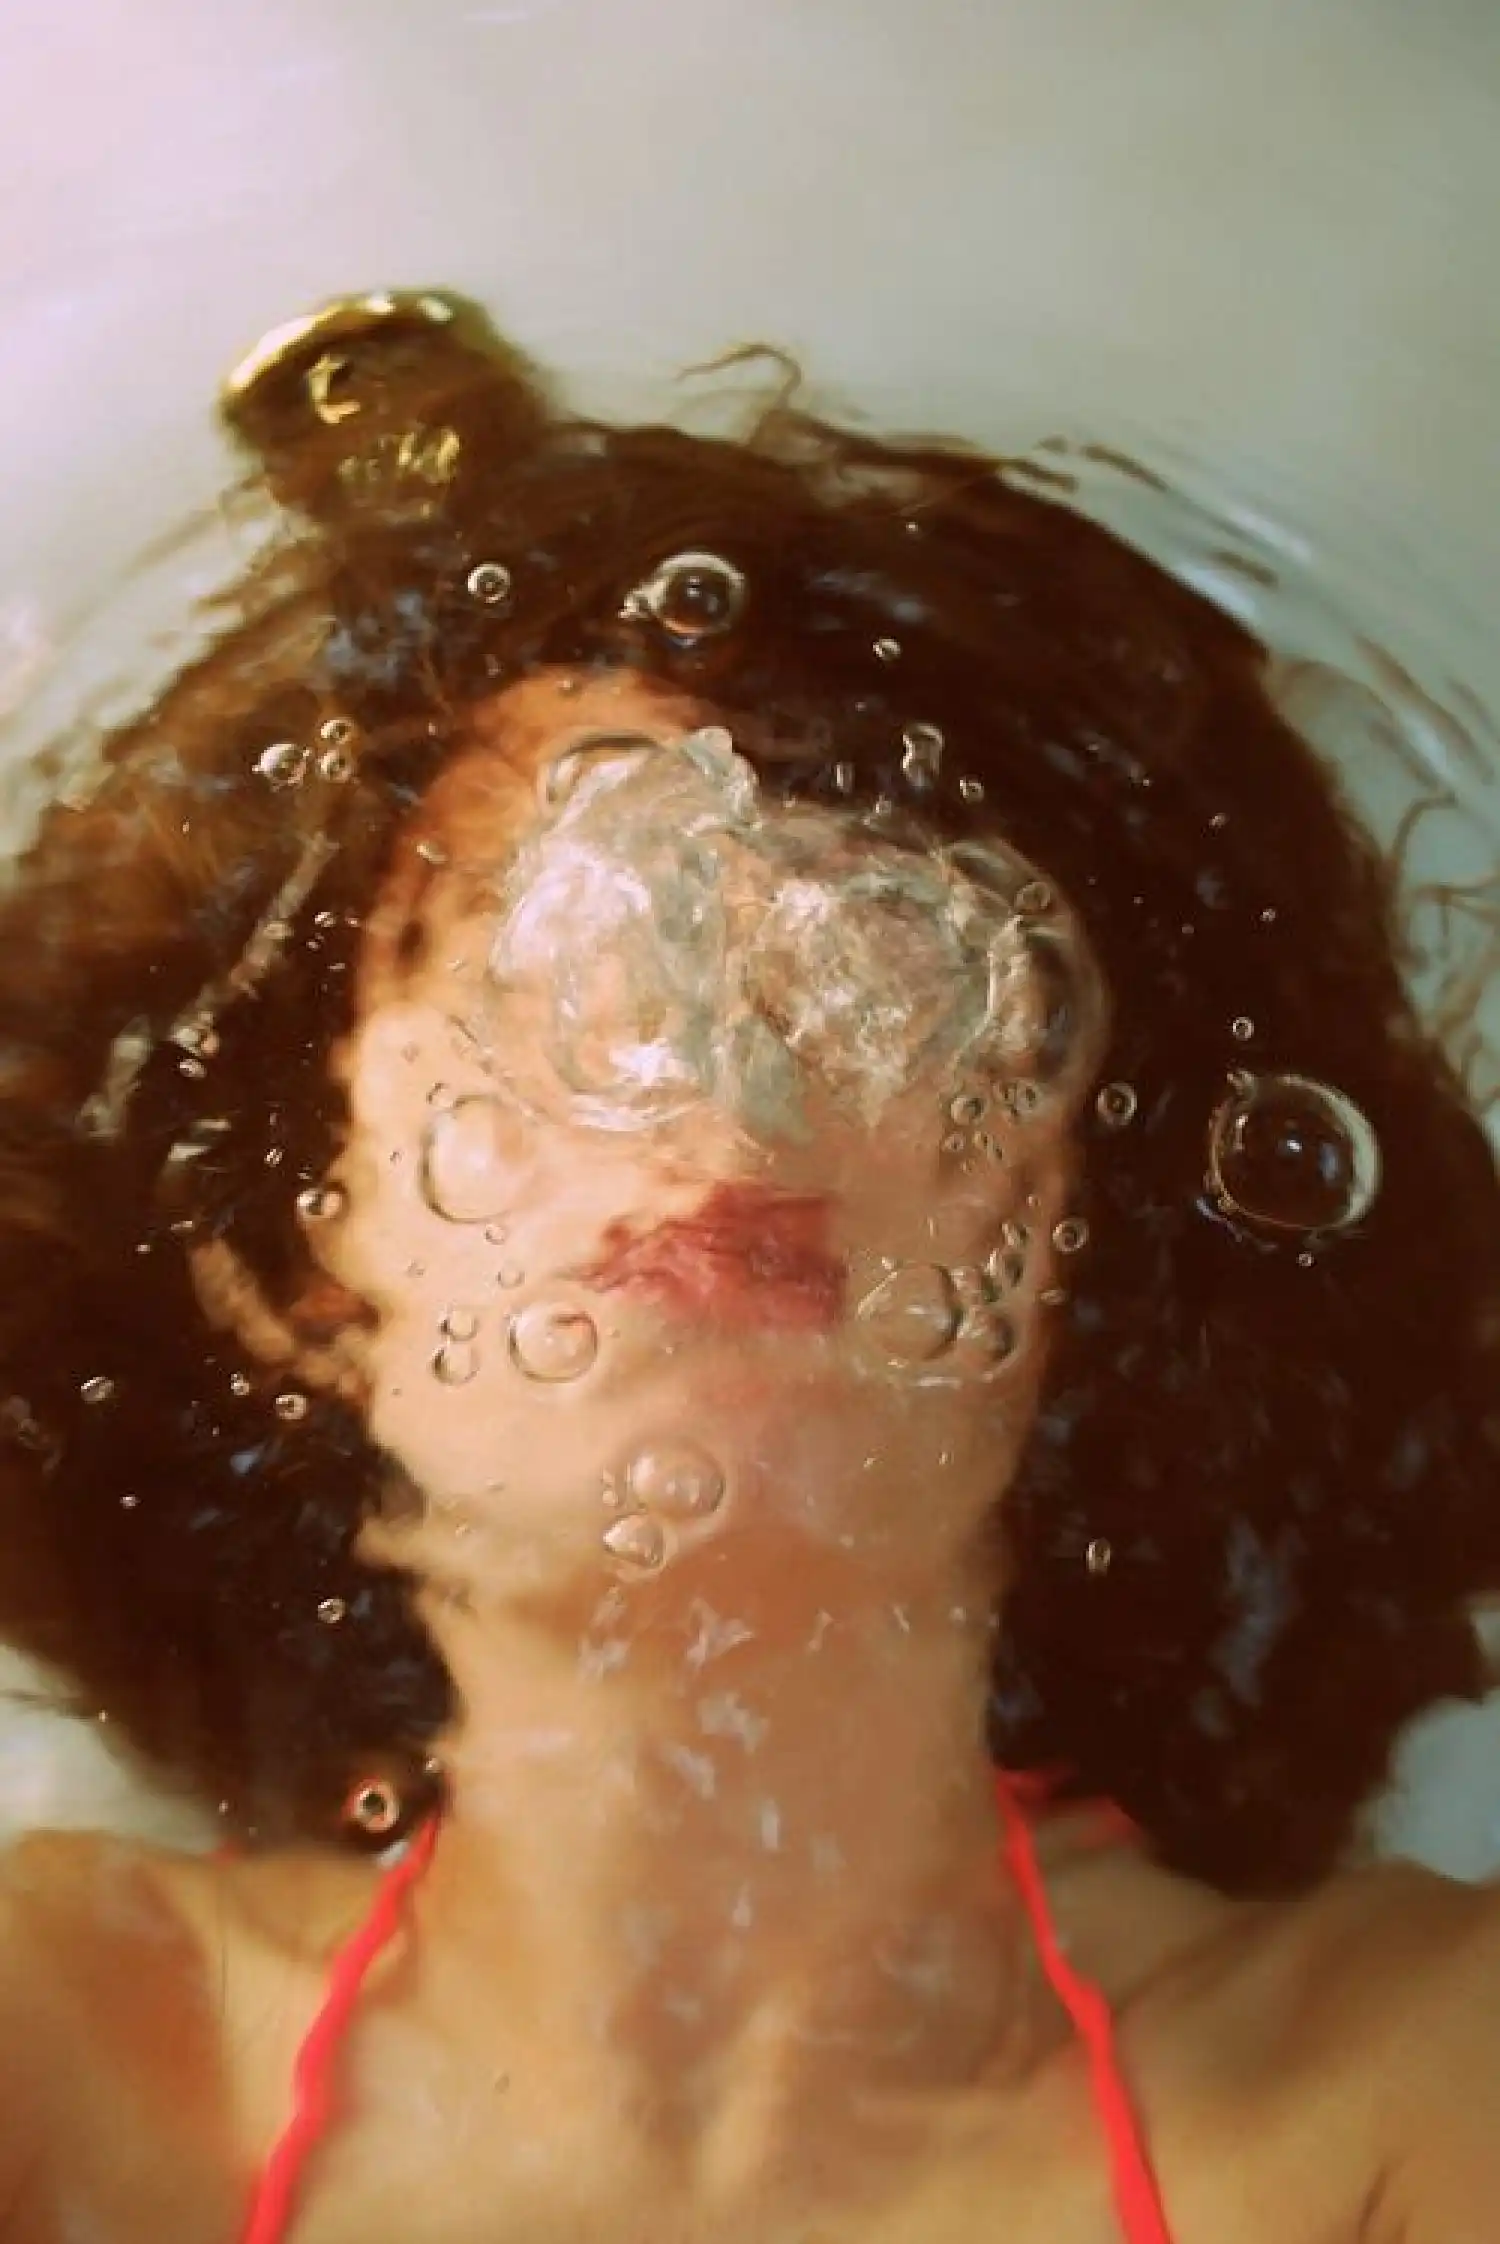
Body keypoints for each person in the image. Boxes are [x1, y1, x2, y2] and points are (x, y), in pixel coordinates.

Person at [0, 290, 1497, 2244]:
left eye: (883, 933)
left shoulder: (1422, 2072)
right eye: (524, 932)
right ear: (305, 1272)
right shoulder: (63, 2045)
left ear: (1076, 1249)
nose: (723, 1069)